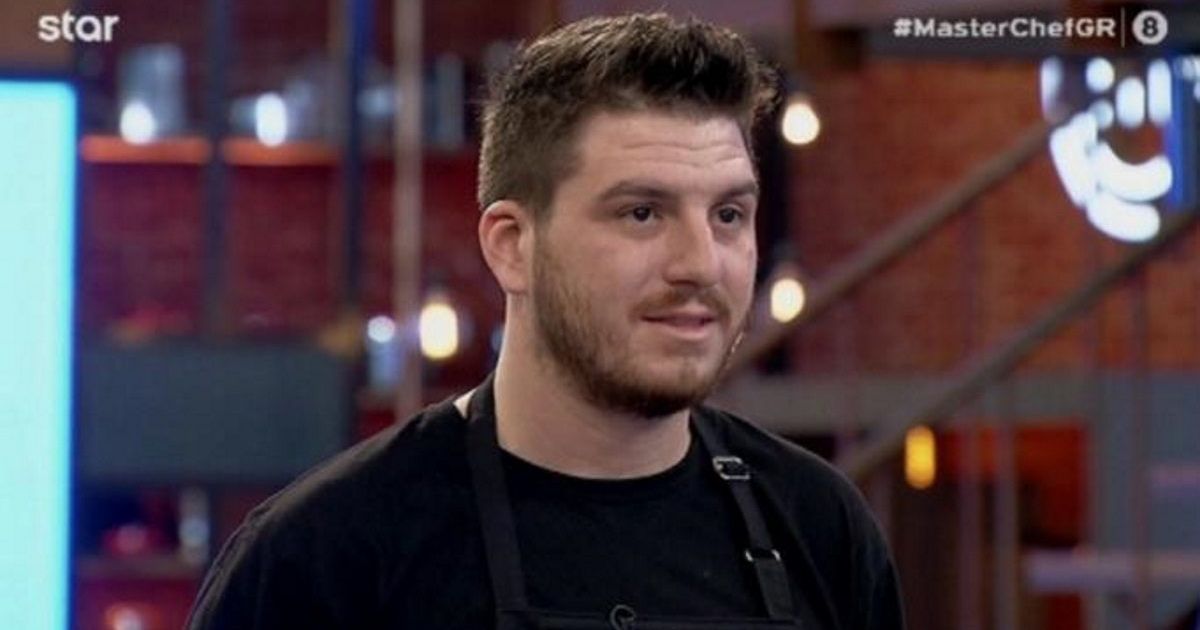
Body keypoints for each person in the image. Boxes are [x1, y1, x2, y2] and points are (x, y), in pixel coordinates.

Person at [187, 12, 905, 630]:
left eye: (728, 214)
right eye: (642, 213)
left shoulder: (819, 528)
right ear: (512, 246)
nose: (701, 263)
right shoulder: (325, 555)